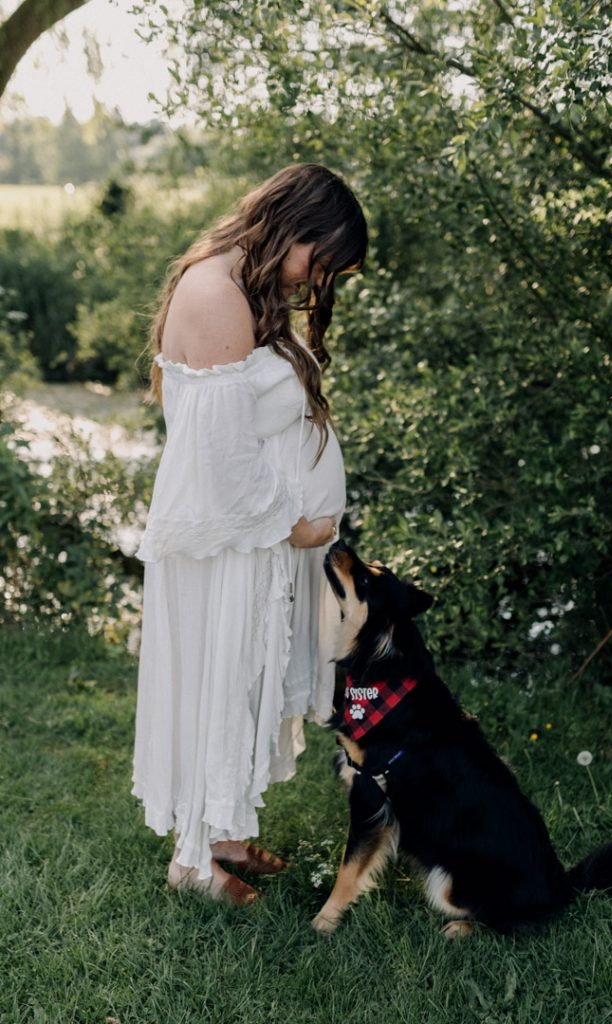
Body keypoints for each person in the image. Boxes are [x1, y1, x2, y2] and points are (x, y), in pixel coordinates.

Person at [132, 163, 368, 905]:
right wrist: (298, 526)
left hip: (251, 538)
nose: (316, 282)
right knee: (216, 684)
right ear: (291, 225)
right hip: (227, 539)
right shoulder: (216, 292)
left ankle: (223, 838)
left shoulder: (248, 288)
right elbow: (221, 457)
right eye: (318, 262)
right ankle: (193, 866)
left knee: (240, 685)